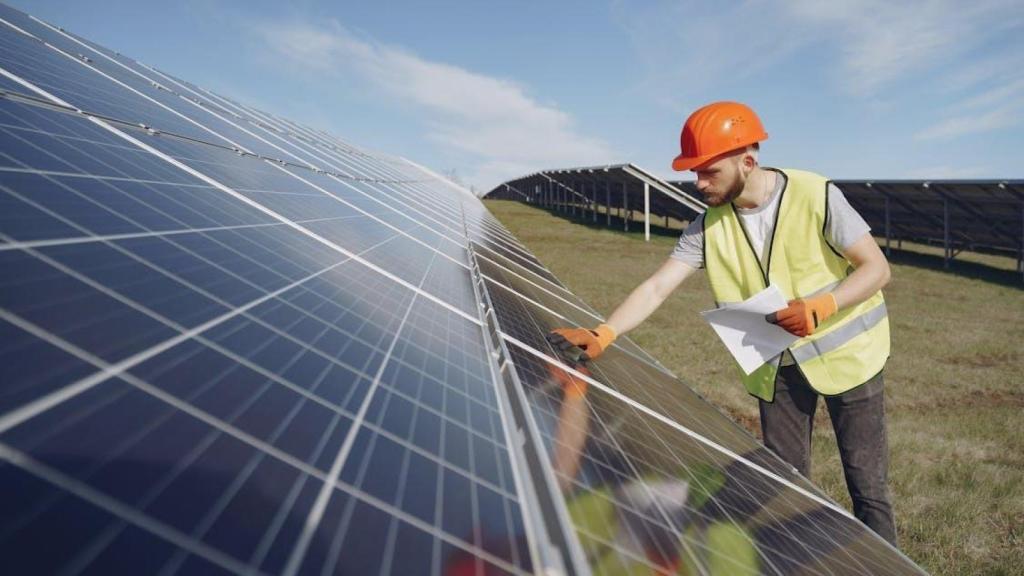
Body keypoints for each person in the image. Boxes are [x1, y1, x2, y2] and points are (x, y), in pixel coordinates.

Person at [546, 101, 897, 545]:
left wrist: (822, 305)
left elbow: (876, 268)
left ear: (747, 162)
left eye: (708, 171)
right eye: (694, 172)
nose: (698, 183)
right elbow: (657, 287)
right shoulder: (706, 226)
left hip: (850, 357)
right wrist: (605, 332)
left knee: (868, 485)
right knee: (784, 482)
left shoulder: (814, 194)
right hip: (777, 366)